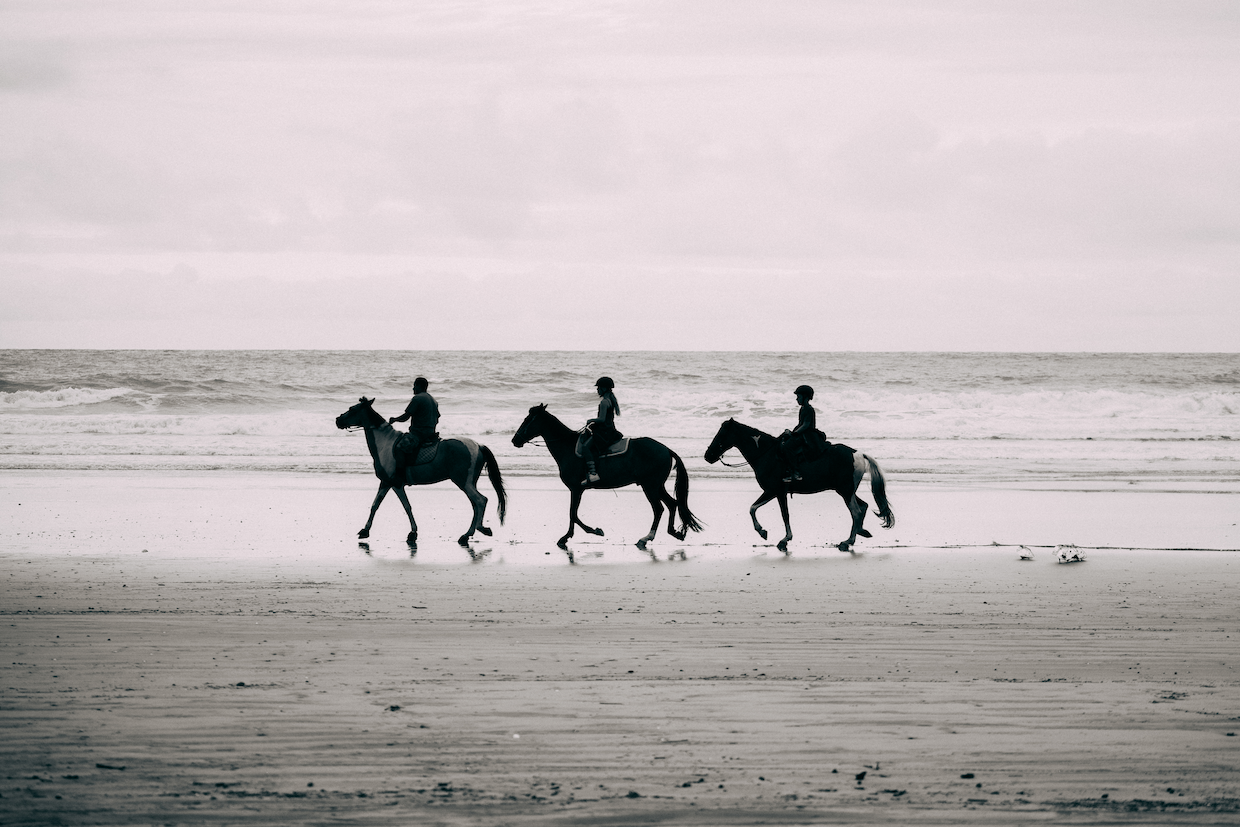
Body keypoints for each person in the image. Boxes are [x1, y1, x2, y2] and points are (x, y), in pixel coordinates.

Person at [580, 376, 622, 485]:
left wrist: (591, 420)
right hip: (609, 430)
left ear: (604, 388)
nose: (597, 390)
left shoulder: (604, 402)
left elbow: (602, 419)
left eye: (598, 387)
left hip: (604, 432)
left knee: (585, 447)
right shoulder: (611, 400)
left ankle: (593, 474)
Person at [388, 377, 440, 463]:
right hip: (431, 433)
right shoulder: (433, 400)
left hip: (419, 434)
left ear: (419, 386)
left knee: (399, 447)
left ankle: (401, 472)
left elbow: (406, 416)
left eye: (415, 385)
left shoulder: (417, 398)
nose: (413, 388)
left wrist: (394, 419)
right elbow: (437, 418)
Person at [780, 384, 816, 482]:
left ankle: (795, 473)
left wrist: (795, 433)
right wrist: (791, 432)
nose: (797, 399)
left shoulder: (809, 409)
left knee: (787, 447)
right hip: (802, 433)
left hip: (807, 435)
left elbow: (805, 425)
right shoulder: (802, 408)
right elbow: (800, 424)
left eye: (798, 397)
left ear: (805, 397)